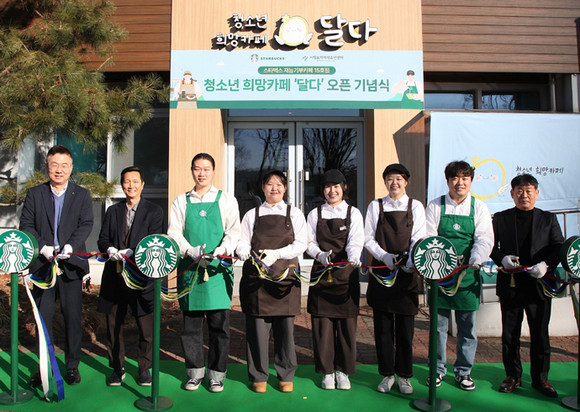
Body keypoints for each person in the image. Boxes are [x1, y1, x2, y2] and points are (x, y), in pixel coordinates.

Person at [19, 144, 94, 386]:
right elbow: (26, 225)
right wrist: (42, 247)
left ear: (71, 168)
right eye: (54, 165)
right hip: (43, 266)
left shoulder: (81, 194)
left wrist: (71, 245)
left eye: (64, 165)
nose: (59, 170)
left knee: (72, 318)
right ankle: (44, 367)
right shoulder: (35, 194)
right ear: (47, 167)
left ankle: (72, 366)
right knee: (43, 318)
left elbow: (86, 224)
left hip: (71, 266)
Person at [167, 153, 240, 393]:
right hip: (190, 270)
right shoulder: (181, 201)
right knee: (191, 327)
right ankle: (195, 373)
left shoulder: (226, 200)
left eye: (206, 169)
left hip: (217, 271)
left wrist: (223, 249)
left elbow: (234, 231)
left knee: (219, 327)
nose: (202, 173)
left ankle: (217, 375)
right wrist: (190, 250)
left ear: (213, 171)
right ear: (192, 171)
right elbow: (174, 232)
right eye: (197, 168)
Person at [490, 174, 564, 398]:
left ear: (537, 193)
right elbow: (490, 246)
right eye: (519, 191)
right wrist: (501, 258)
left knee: (540, 333)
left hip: (539, 284)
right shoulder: (501, 218)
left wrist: (546, 264)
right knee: (510, 334)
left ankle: (541, 378)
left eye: (529, 190)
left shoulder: (548, 219)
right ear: (512, 194)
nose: (524, 195)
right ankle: (513, 375)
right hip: (511, 284)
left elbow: (558, 246)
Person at [236, 170, 307, 393]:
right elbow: (243, 241)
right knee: (257, 331)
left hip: (285, 278)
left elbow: (301, 244)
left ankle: (286, 375)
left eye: (278, 184)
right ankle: (259, 375)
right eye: (269, 184)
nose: (274, 188)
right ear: (263, 188)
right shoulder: (251, 214)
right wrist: (242, 250)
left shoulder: (294, 213)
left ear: (285, 188)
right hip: (258, 279)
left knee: (285, 331)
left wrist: (277, 253)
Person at [425, 160, 493, 391]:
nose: (459, 182)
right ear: (448, 181)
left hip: (468, 276)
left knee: (467, 328)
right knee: (438, 326)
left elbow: (484, 238)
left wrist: (476, 258)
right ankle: (437, 369)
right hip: (439, 274)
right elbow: (428, 236)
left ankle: (464, 371)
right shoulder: (435, 205)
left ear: (471, 181)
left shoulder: (479, 207)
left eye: (464, 178)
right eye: (455, 178)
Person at [97, 166, 164, 387]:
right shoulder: (113, 211)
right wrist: (110, 249)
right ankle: (117, 368)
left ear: (142, 185)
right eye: (126, 181)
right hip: (114, 276)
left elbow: (154, 241)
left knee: (146, 327)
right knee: (113, 325)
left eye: (135, 181)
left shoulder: (154, 211)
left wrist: (133, 252)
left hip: (142, 277)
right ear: (122, 185)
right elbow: (103, 239)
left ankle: (144, 368)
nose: (131, 185)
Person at [364, 163, 426, 395]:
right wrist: (384, 256)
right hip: (382, 273)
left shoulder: (415, 206)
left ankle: (405, 375)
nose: (394, 183)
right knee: (383, 329)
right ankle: (387, 374)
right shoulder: (376, 206)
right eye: (390, 178)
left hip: (407, 275)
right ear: (385, 182)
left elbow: (419, 236)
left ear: (406, 181)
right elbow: (368, 238)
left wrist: (409, 260)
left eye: (399, 178)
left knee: (405, 330)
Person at [306, 169, 364, 391]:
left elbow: (356, 239)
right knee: (322, 327)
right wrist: (320, 254)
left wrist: (354, 256)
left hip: (346, 274)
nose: (332, 190)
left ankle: (343, 371)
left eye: (336, 186)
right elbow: (308, 241)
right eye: (328, 186)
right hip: (322, 273)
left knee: (346, 326)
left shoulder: (353, 213)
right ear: (323, 190)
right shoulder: (315, 214)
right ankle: (327, 372)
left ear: (344, 188)